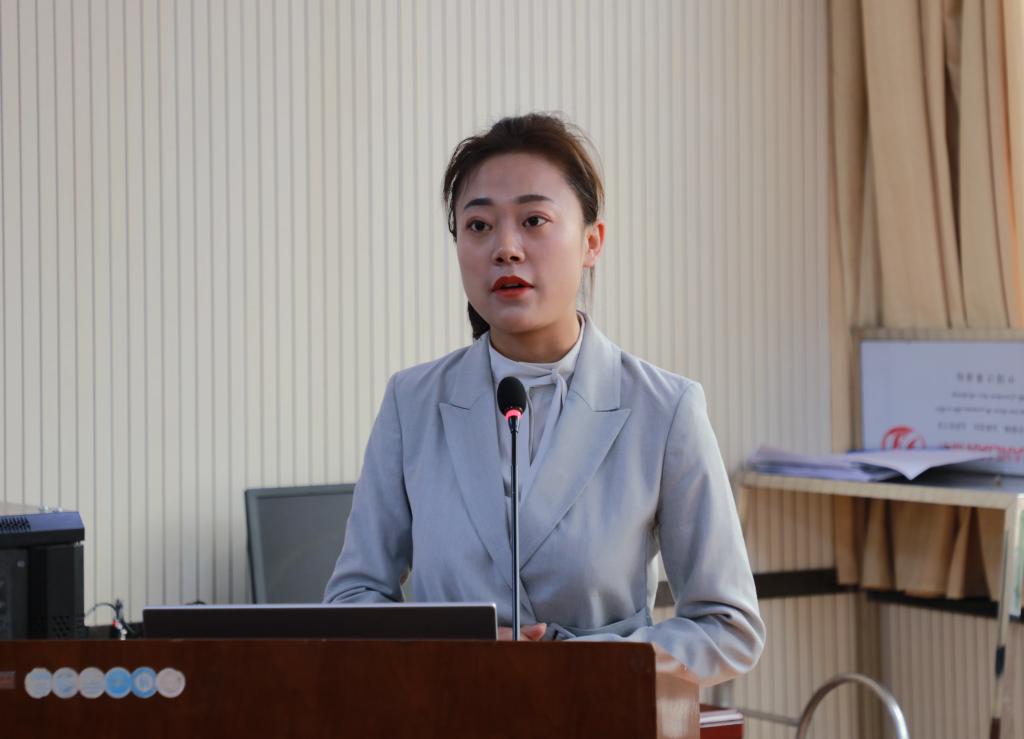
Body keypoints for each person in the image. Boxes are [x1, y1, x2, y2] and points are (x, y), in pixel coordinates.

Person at [324, 113, 764, 686]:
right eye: (478, 225)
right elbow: (353, 599)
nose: (505, 249)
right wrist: (451, 653)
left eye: (534, 220)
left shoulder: (666, 408)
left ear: (591, 242)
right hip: (446, 712)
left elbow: (727, 626)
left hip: (600, 714)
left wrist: (578, 666)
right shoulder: (412, 403)